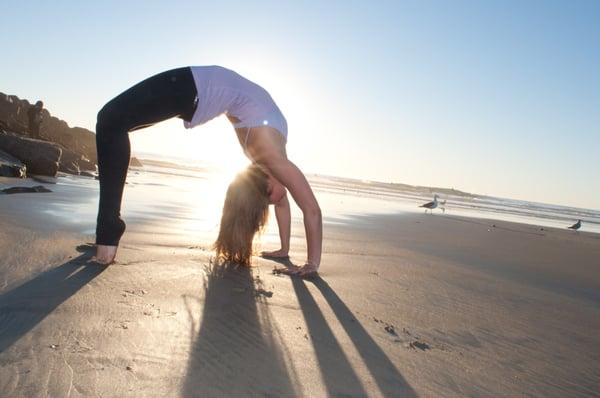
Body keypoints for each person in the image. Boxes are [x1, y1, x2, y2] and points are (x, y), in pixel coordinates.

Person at [93, 66, 321, 276]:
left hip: (195, 89)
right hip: (192, 85)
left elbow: (282, 202)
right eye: (269, 199)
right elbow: (311, 209)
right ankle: (108, 231)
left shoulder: (271, 160)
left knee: (111, 121)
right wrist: (312, 264)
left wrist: (284, 249)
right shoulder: (272, 157)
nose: (276, 203)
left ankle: (107, 234)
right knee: (110, 121)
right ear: (267, 182)